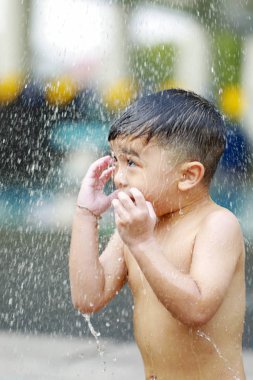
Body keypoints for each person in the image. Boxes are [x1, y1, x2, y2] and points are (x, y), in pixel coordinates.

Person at [69, 89, 246, 380]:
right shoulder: (138, 229)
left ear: (188, 176)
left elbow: (198, 308)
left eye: (132, 163)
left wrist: (141, 242)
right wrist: (85, 215)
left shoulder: (216, 225)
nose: (118, 177)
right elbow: (88, 297)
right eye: (115, 159)